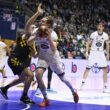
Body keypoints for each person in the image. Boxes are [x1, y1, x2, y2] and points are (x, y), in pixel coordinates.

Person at [27, 15, 79, 107]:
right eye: (41, 21)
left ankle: (73, 90)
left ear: (48, 24)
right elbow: (28, 42)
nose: (41, 22)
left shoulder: (53, 34)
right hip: (43, 56)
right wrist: (36, 37)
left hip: (53, 58)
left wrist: (49, 37)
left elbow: (54, 49)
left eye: (43, 21)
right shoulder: (37, 31)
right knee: (38, 74)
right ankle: (46, 98)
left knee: (62, 78)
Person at [0, 4, 42, 104]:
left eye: (35, 27)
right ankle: (24, 97)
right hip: (15, 60)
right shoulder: (26, 36)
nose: (33, 27)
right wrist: (37, 13)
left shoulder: (33, 42)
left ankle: (4, 88)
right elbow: (28, 24)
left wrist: (40, 47)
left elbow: (35, 55)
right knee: (31, 76)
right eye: (32, 27)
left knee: (23, 78)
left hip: (18, 61)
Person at [80, 23, 109, 93]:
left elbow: (107, 45)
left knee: (104, 70)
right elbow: (87, 43)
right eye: (98, 26)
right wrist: (87, 52)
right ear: (97, 27)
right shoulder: (93, 34)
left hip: (101, 53)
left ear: (103, 28)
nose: (99, 27)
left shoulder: (105, 35)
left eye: (101, 26)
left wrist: (108, 54)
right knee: (87, 69)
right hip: (93, 52)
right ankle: (82, 84)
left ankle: (105, 87)